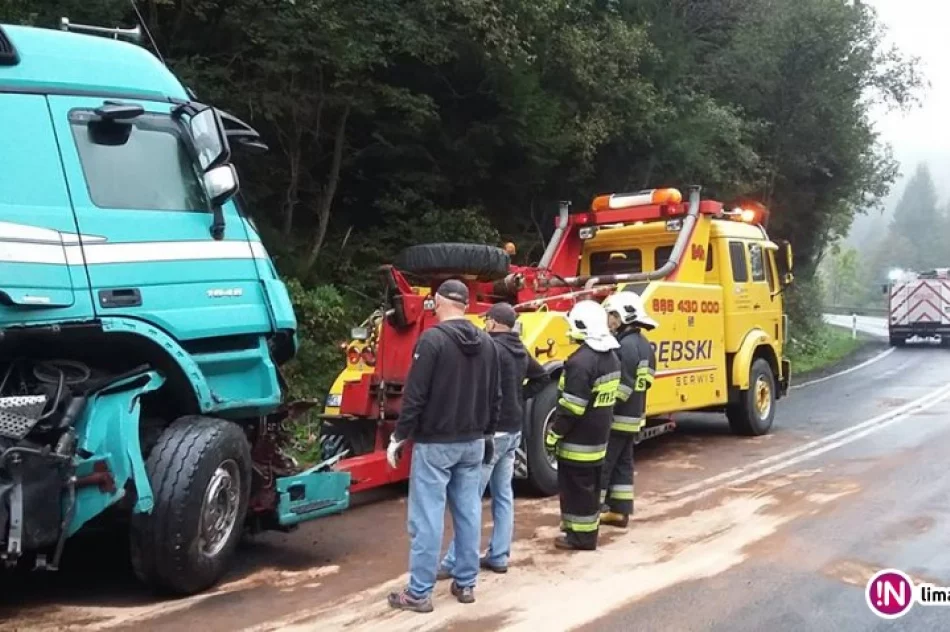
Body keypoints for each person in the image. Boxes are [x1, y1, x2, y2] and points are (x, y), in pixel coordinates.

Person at [386, 279, 502, 613]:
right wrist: (488, 435)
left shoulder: (432, 340)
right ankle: (466, 584)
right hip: (473, 442)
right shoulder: (488, 343)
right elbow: (496, 396)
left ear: (438, 302)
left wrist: (399, 436)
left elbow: (415, 395)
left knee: (427, 518)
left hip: (436, 443)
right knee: (468, 513)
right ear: (465, 305)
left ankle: (419, 593)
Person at [437, 302, 549, 578]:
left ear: (494, 323)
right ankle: (499, 555)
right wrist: (519, 398)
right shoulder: (519, 348)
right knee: (503, 495)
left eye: (487, 319)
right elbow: (542, 377)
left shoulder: (491, 349)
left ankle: (455, 561)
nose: (485, 323)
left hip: (492, 433)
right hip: (513, 432)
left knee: (469, 499)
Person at [544, 300, 621, 551]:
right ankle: (580, 530)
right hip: (598, 438)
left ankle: (581, 538)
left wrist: (554, 434)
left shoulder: (580, 362)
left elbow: (572, 408)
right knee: (589, 489)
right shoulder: (611, 357)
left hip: (577, 441)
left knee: (576, 490)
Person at [600, 291, 658, 528]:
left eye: (611, 315)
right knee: (623, 464)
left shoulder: (623, 346)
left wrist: (602, 409)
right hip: (635, 417)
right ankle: (619, 511)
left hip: (617, 418)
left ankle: (590, 512)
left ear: (622, 317)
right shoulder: (645, 345)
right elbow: (645, 381)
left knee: (603, 465)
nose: (609, 320)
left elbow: (622, 386)